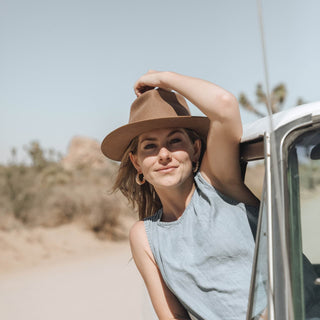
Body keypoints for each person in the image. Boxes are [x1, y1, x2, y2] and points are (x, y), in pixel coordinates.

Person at [101, 71, 266, 319]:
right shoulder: (145, 237)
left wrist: (162, 78)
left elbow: (224, 105)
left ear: (195, 149)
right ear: (137, 163)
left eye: (175, 140)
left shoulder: (219, 185)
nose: (164, 154)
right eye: (150, 146)